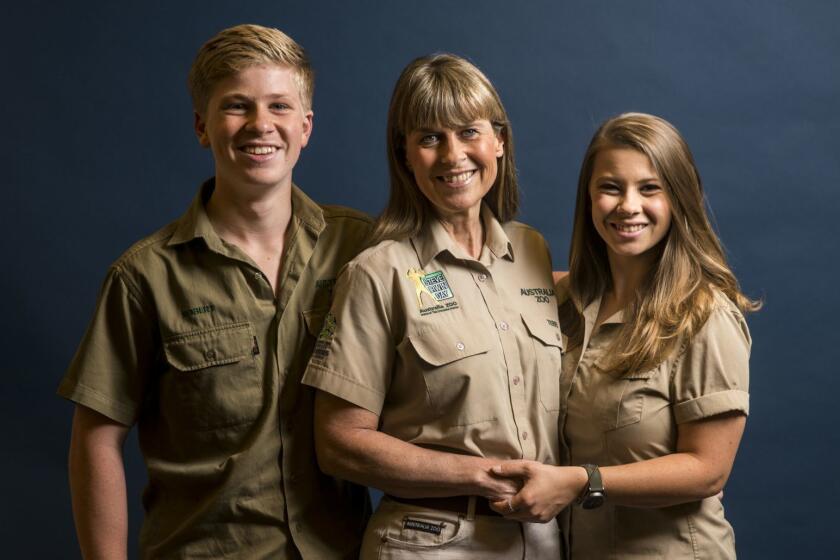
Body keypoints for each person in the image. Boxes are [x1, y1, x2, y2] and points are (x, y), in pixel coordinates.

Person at [58, 24, 370, 559]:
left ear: (306, 126)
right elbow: (96, 438)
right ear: (203, 126)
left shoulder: (363, 248)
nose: (260, 125)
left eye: (279, 106)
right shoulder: (144, 276)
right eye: (236, 106)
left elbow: (454, 292)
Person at [301, 53, 565, 559]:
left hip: (544, 540)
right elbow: (338, 442)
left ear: (499, 142)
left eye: (469, 132)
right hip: (432, 541)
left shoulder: (531, 252)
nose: (452, 155)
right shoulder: (377, 273)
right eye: (428, 138)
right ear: (404, 156)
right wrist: (483, 475)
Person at [489, 113, 759, 558]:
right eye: (611, 187)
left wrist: (581, 482)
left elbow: (709, 470)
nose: (627, 206)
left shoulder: (704, 314)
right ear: (589, 198)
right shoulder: (562, 302)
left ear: (678, 199)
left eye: (649, 188)